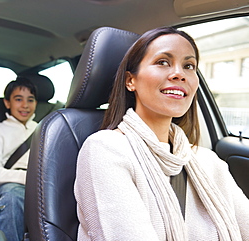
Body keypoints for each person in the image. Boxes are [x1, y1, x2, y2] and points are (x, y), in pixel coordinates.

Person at [74, 27, 249, 240]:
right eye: (163, 62)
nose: (179, 74)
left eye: (189, 66)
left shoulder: (208, 161)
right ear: (131, 80)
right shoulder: (105, 149)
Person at [0, 77, 38, 241]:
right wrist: (27, 178)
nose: (25, 105)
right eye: (18, 99)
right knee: (12, 195)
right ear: (7, 103)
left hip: (42, 186)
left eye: (30, 100)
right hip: (12, 185)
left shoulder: (43, 129)